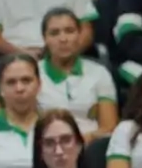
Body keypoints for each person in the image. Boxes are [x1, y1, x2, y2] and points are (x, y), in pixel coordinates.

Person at [35, 9, 117, 137]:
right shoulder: (32, 74)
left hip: (90, 146)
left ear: (79, 34)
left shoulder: (99, 73)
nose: (63, 39)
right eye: (54, 33)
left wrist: (80, 142)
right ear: (44, 38)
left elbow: (108, 127)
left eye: (70, 31)